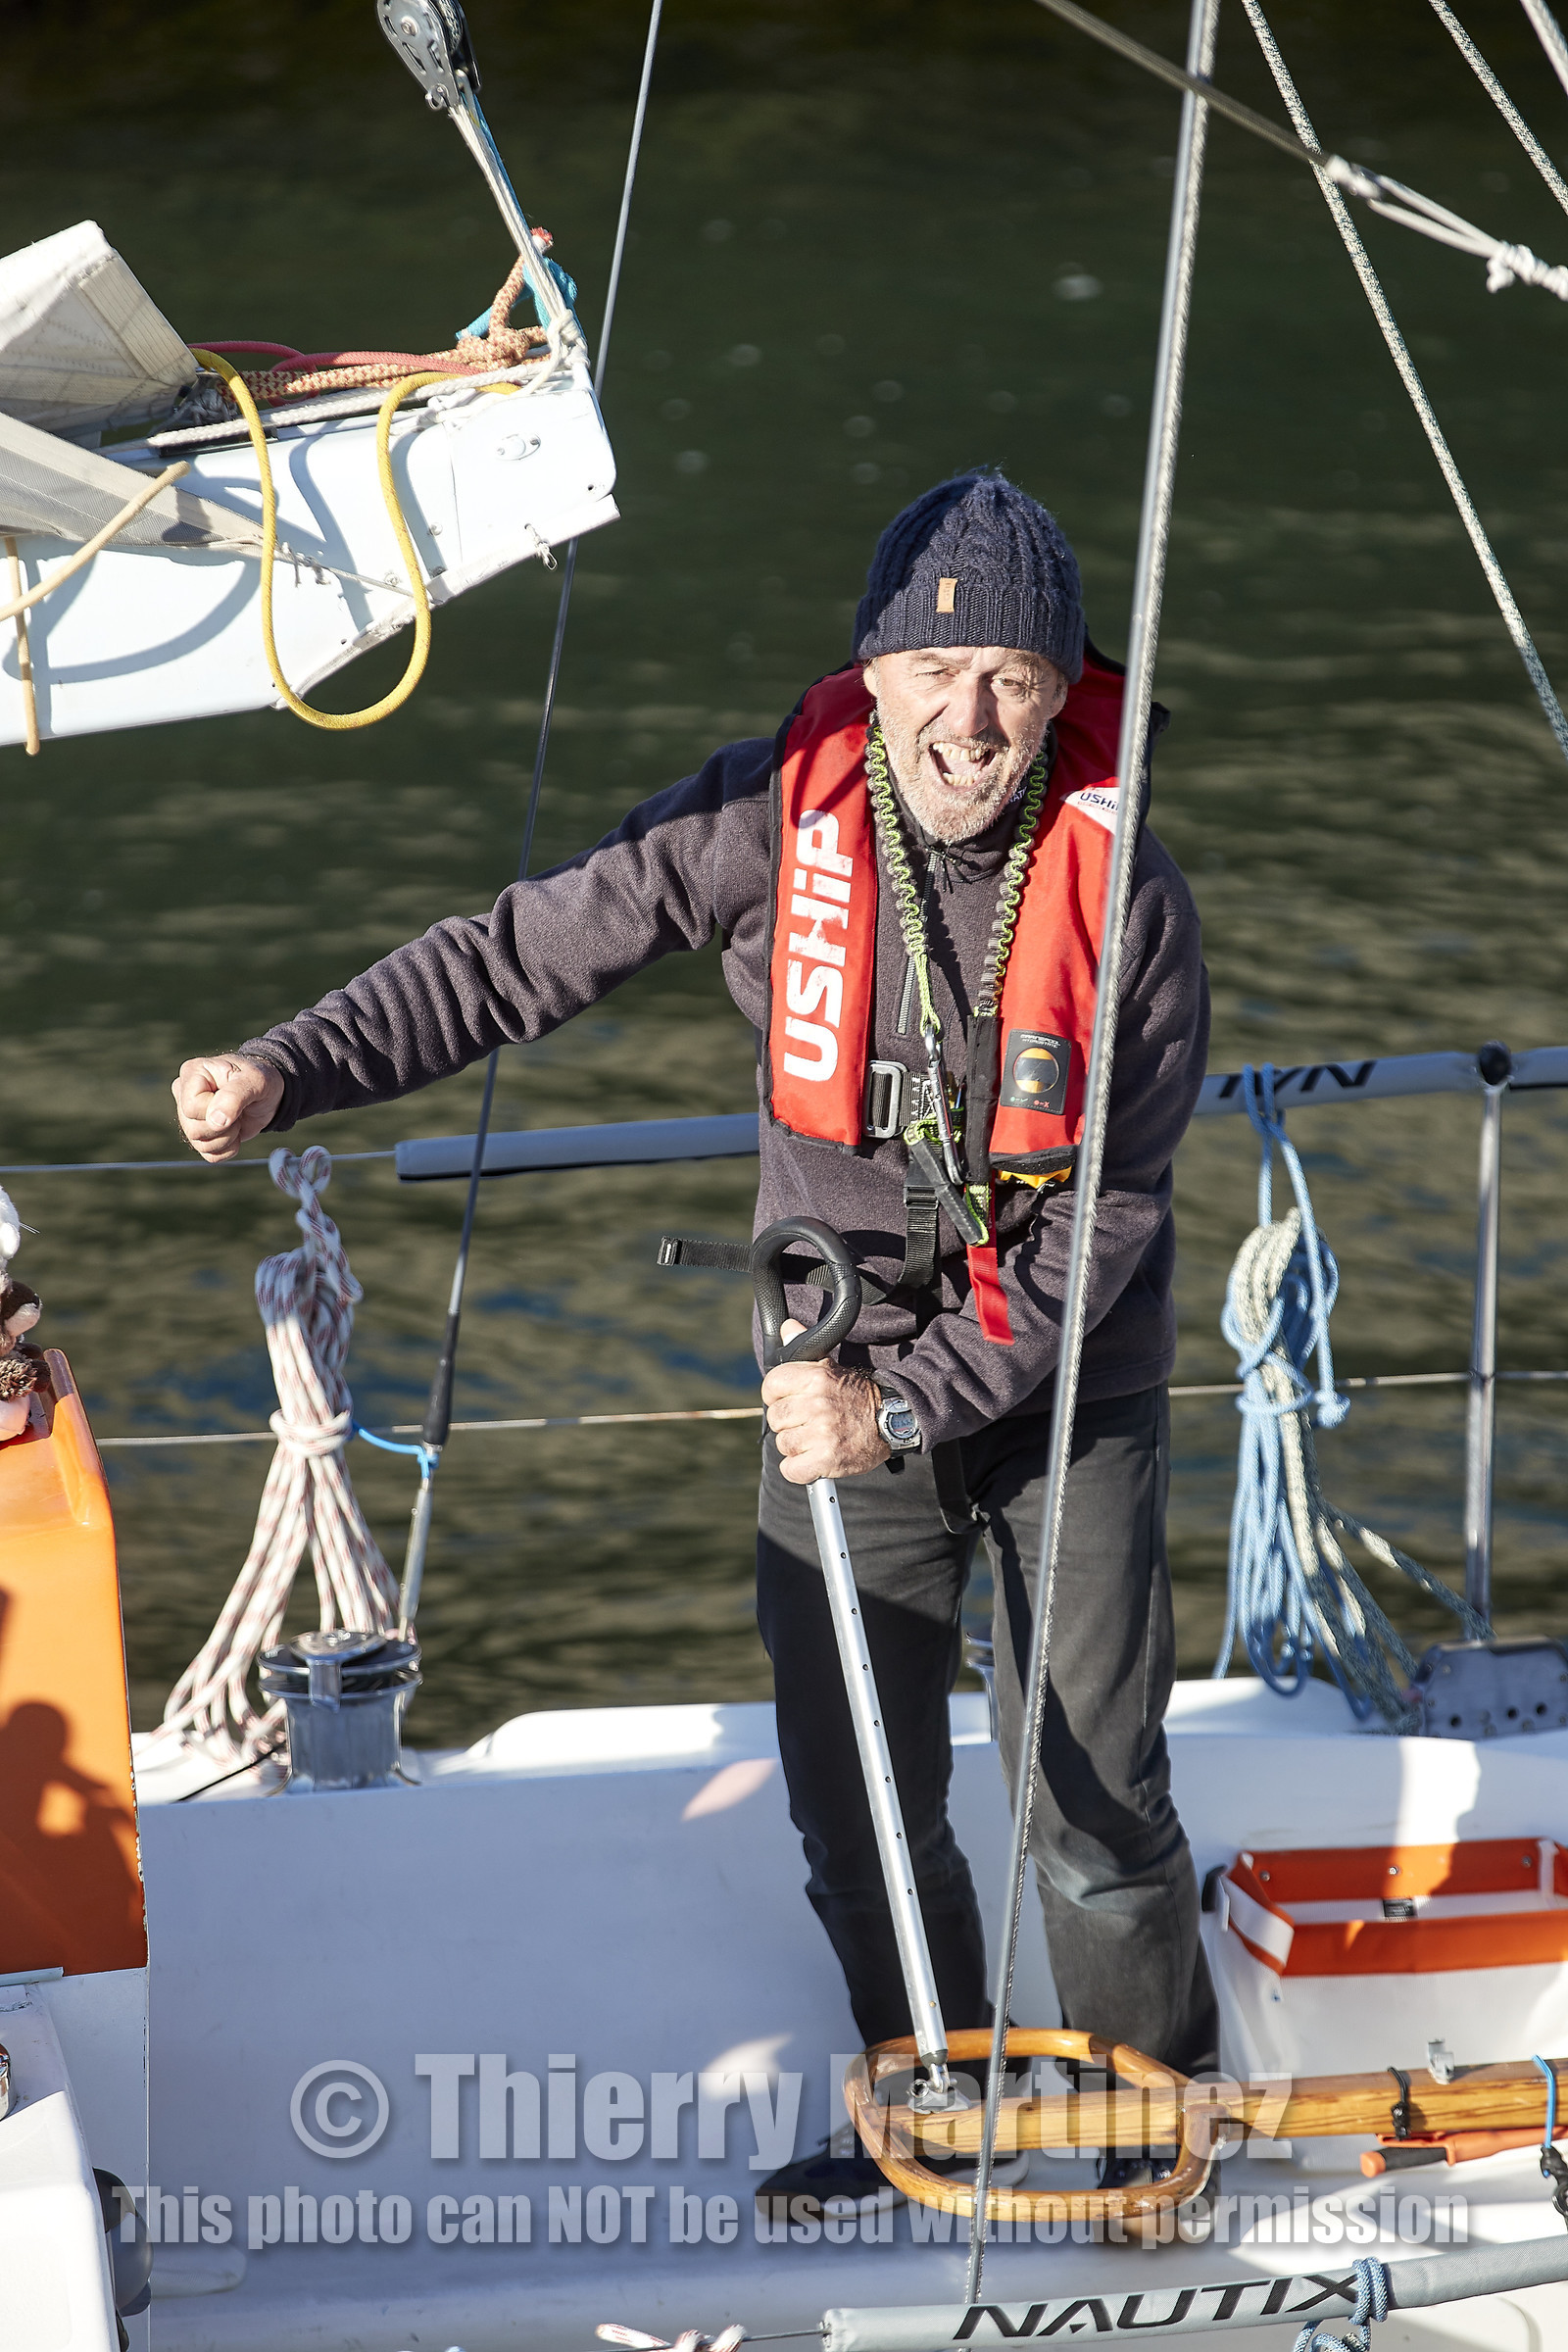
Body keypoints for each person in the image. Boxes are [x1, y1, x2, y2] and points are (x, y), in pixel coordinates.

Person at [172, 470, 1217, 2213]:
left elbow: (1106, 1226)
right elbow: (513, 961)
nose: (973, 722)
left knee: (1091, 1809)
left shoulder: (1137, 899)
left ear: (1064, 687)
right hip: (829, 1383)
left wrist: (915, 1405)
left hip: (1061, 1390)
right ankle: (931, 2124)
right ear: (871, 675)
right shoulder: (762, 823)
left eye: (1016, 680)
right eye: (935, 676)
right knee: (851, 1805)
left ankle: (1159, 2144)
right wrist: (290, 1066)